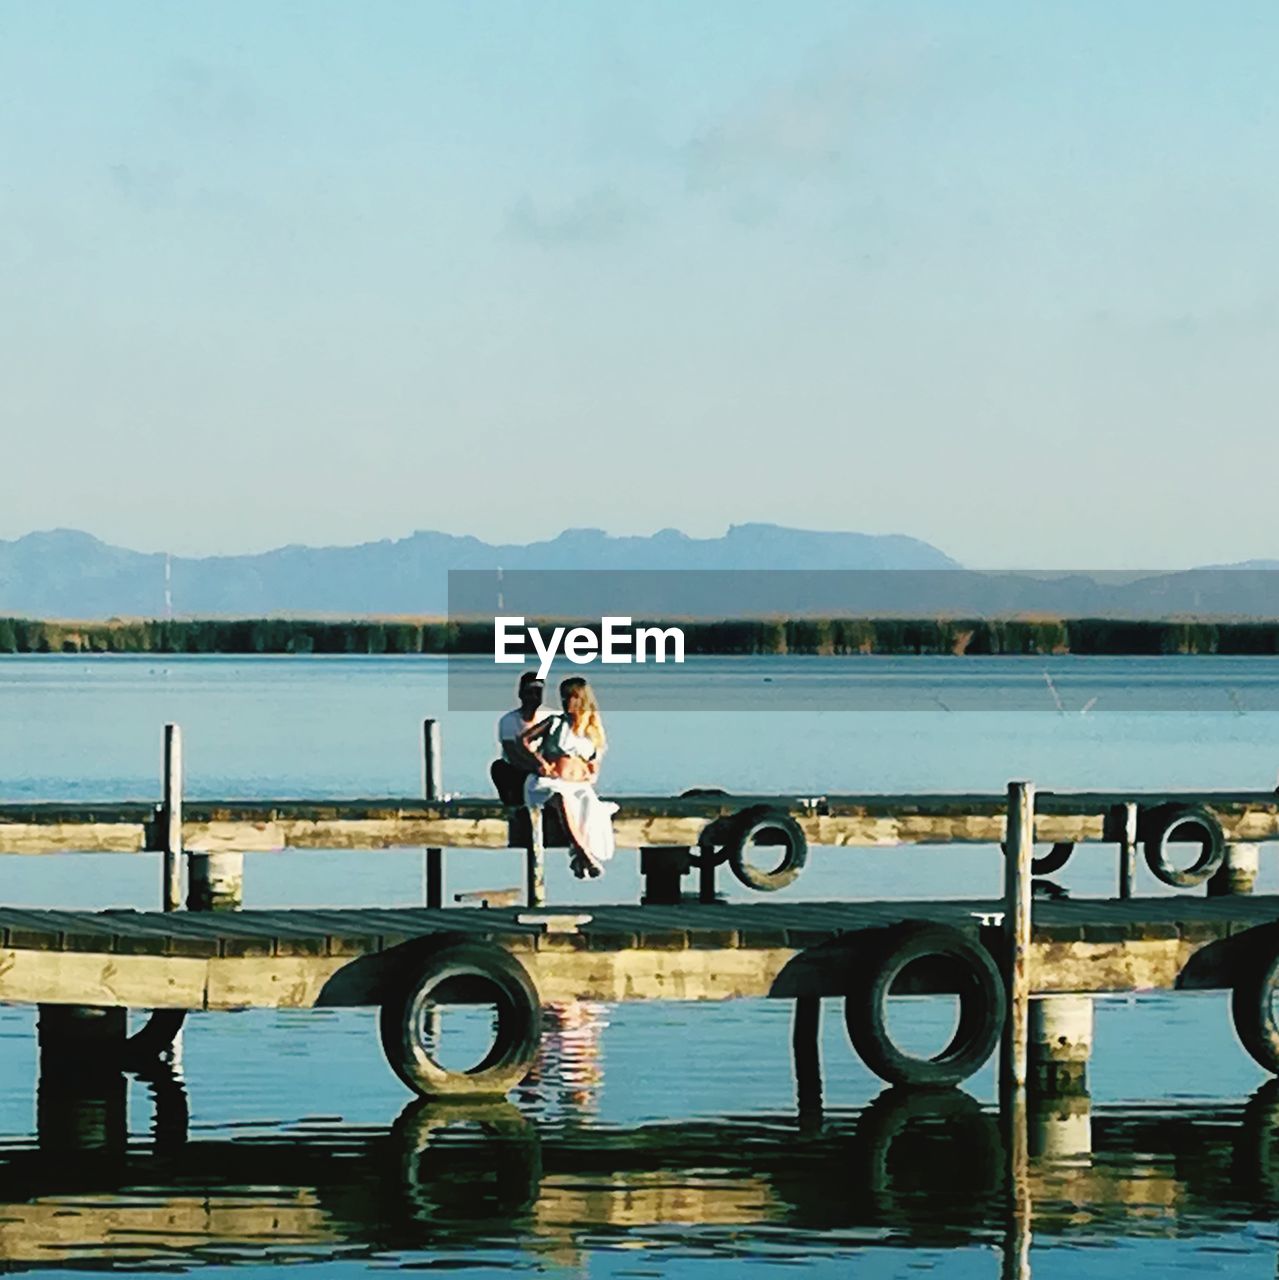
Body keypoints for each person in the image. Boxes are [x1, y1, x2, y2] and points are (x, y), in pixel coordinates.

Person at [520, 676, 617, 878]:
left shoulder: (592, 731)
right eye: (562, 698)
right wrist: (541, 763)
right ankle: (585, 854)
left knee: (590, 808)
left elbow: (595, 762)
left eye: (569, 697)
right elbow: (524, 740)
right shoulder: (555, 723)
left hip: (578, 785)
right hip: (550, 782)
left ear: (581, 699)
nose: (565, 702)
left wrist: (591, 772)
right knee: (561, 799)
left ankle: (579, 858)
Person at [491, 671, 552, 804]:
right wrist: (535, 768)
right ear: (520, 694)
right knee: (498, 767)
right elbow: (512, 753)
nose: (534, 696)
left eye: (538, 692)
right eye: (529, 692)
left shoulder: (551, 717)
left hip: (547, 768)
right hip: (520, 769)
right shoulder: (508, 720)